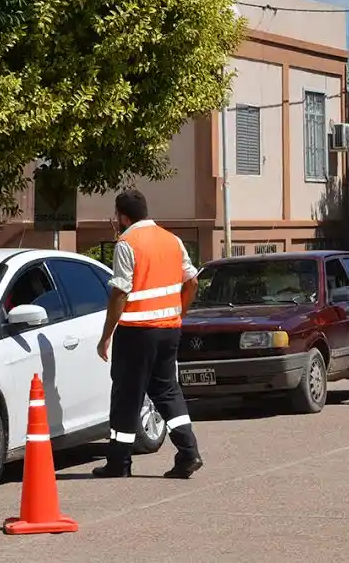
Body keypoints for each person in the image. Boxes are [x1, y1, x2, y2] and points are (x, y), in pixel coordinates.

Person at [93, 189, 203, 479]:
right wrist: (178, 313)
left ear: (123, 216)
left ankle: (119, 462)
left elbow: (120, 291)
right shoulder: (172, 240)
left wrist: (107, 335)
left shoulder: (127, 243)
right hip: (169, 329)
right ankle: (189, 453)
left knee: (126, 395)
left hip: (137, 332)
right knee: (167, 390)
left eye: (117, 216)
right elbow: (192, 282)